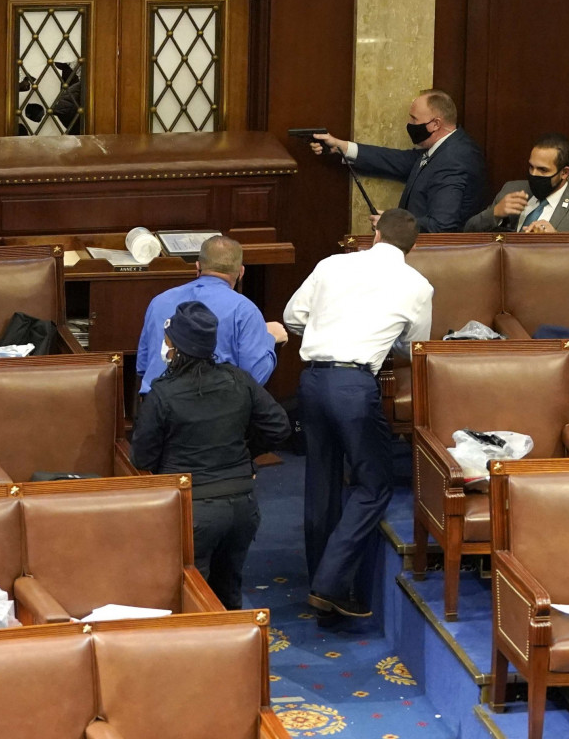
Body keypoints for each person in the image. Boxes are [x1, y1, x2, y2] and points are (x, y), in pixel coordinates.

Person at [283, 208, 433, 619]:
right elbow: (413, 348)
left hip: (312, 381)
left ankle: (319, 580)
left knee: (321, 481)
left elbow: (292, 316)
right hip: (355, 386)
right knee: (373, 485)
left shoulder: (332, 264)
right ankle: (330, 584)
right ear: (412, 246)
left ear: (376, 233)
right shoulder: (418, 285)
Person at [130, 300, 292, 609]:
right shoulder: (238, 379)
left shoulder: (162, 393)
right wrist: (246, 455)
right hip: (242, 506)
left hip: (193, 509)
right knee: (228, 591)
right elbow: (279, 427)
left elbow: (142, 459)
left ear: (174, 346)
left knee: (192, 602)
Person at [307, 89, 488, 232]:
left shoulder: (454, 159)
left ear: (436, 124)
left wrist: (393, 224)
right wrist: (340, 146)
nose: (409, 123)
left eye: (414, 118)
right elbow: (395, 160)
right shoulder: (444, 147)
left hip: (433, 259)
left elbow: (442, 225)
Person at [136, 235, 288, 395]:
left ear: (197, 267)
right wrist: (268, 338)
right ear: (241, 272)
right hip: (211, 412)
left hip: (157, 407)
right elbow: (254, 377)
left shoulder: (159, 302)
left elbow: (143, 367)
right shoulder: (245, 310)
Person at [464, 132, 569, 233]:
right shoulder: (512, 189)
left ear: (564, 173)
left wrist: (557, 242)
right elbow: (469, 232)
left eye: (543, 170)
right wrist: (495, 214)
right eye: (531, 167)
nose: (534, 175)